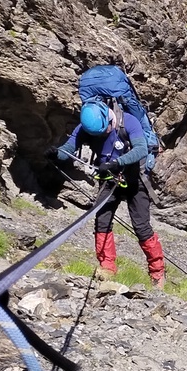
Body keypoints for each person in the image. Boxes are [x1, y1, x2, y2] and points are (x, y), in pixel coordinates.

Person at [56, 88, 166, 285]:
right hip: (109, 179)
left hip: (135, 180)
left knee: (141, 228)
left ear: (109, 117)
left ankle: (157, 274)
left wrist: (117, 163)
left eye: (106, 130)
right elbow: (69, 148)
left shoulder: (129, 121)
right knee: (102, 221)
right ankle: (107, 268)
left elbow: (140, 149)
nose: (104, 134)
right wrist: (56, 154)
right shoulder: (86, 127)